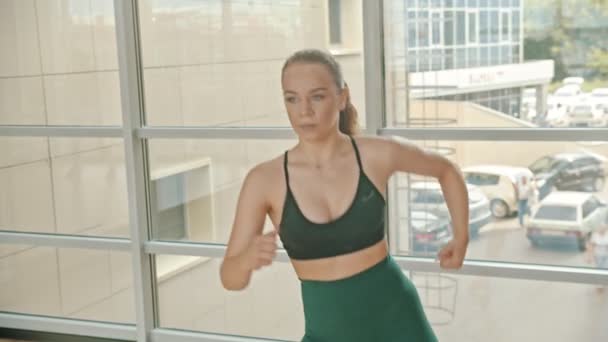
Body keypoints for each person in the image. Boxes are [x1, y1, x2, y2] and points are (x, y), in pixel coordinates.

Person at [220, 48, 469, 341]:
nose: (304, 111)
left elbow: (447, 170)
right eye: (292, 98)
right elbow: (230, 278)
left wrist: (461, 237)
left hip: (399, 321)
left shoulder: (376, 155)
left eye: (317, 96)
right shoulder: (264, 180)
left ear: (342, 97)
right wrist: (246, 259)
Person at [586, 223, 608, 293]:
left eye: (604, 228)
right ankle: (599, 285)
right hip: (598, 255)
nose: (602, 229)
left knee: (605, 268)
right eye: (601, 228)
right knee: (599, 268)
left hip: (606, 255)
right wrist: (589, 256)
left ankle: (602, 283)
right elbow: (591, 246)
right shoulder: (595, 235)